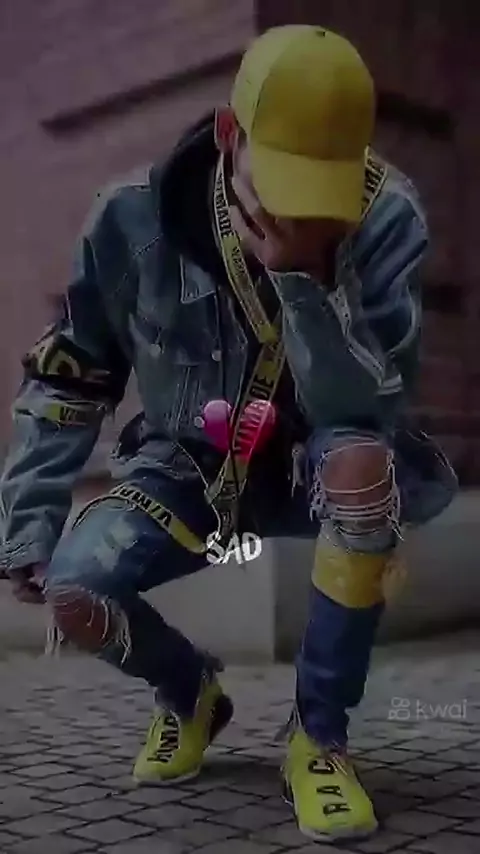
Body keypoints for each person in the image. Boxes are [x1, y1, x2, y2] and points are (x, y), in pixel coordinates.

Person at [0, 25, 457, 843]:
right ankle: (192, 697)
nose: (300, 211)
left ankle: (318, 739)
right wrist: (28, 519)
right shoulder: (128, 220)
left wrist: (303, 283)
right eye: (281, 180)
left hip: (317, 456)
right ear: (227, 135)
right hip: (186, 464)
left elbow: (368, 407)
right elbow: (71, 373)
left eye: (323, 190)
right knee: (74, 592)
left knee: (363, 465)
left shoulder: (387, 217)